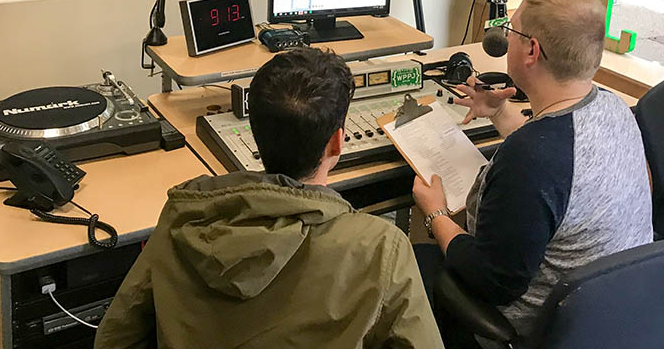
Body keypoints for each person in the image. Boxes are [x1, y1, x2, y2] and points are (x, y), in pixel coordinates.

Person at [96, 47, 444, 349]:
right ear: (337, 143)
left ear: (254, 132)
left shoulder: (182, 215)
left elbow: (115, 337)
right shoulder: (381, 246)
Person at [412, 0, 653, 344]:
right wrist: (500, 112)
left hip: (538, 330)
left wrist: (437, 215)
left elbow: (494, 281)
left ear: (531, 50)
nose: (505, 39)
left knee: (411, 262)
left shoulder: (530, 159)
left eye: (511, 30)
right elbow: (560, 154)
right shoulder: (612, 106)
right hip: (615, 314)